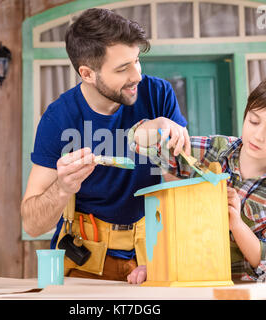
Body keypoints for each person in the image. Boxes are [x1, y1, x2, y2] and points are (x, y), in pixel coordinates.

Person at [21, 8, 187, 282]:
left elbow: (182, 186)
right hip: (85, 261)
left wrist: (170, 142)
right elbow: (32, 223)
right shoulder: (59, 119)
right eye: (122, 68)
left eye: (136, 61)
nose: (136, 76)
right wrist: (63, 187)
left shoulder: (159, 94)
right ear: (87, 73)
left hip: (154, 255)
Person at [126, 72, 266, 283]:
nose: (258, 135)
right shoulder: (212, 150)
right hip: (184, 279)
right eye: (254, 121)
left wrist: (237, 225)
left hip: (240, 289)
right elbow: (136, 142)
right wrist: (158, 125)